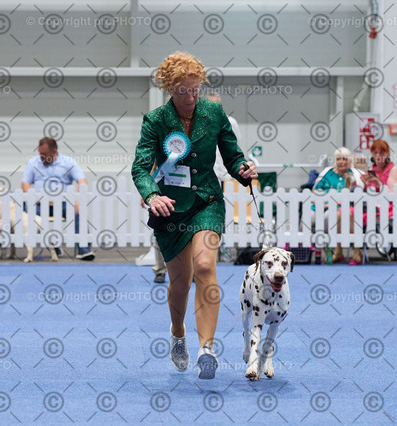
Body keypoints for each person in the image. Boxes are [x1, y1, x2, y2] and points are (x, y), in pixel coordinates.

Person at [131, 51, 257, 379]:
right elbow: (140, 167)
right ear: (169, 89)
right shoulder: (156, 120)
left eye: (195, 90)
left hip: (206, 201)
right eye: (182, 91)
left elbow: (233, 156)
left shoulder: (214, 113)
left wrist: (243, 169)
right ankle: (178, 333)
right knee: (180, 282)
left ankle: (207, 348)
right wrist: (152, 195)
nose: (190, 97)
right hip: (170, 207)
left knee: (204, 266)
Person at [22, 137, 95, 261]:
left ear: (54, 151)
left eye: (44, 154)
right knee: (27, 212)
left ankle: (84, 250)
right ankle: (53, 246)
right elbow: (25, 183)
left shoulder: (68, 162)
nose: (41, 157)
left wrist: (78, 200)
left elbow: (82, 181)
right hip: (39, 204)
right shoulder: (33, 162)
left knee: (79, 212)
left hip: (64, 204)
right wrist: (32, 197)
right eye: (40, 153)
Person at [312, 147, 364, 264]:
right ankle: (336, 251)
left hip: (347, 206)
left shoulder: (354, 174)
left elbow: (358, 192)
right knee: (313, 216)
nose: (341, 162)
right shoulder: (327, 172)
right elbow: (315, 190)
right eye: (338, 159)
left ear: (350, 161)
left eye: (344, 159)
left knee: (341, 214)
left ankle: (349, 251)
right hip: (323, 206)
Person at [360, 139, 397, 223]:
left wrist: (378, 183)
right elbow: (368, 193)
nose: (378, 155)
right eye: (375, 153)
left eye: (381, 153)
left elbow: (392, 195)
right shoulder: (371, 170)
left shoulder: (393, 169)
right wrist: (364, 184)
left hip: (387, 207)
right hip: (372, 205)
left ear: (388, 154)